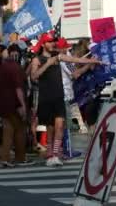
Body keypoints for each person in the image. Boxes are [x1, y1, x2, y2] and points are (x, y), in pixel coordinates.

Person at [30, 32, 103, 167]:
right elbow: (33, 77)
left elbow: (76, 61)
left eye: (54, 42)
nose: (52, 44)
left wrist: (93, 60)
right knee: (50, 129)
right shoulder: (37, 60)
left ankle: (56, 155)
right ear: (43, 44)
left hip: (59, 97)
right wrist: (47, 64)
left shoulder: (58, 57)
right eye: (50, 42)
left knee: (59, 126)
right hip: (46, 98)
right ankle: (51, 155)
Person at [0, 44, 33, 167]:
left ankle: (5, 158)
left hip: (3, 102)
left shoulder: (2, 66)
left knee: (7, 131)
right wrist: (22, 105)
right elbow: (18, 88)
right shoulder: (16, 68)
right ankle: (20, 158)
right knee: (20, 131)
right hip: (15, 103)